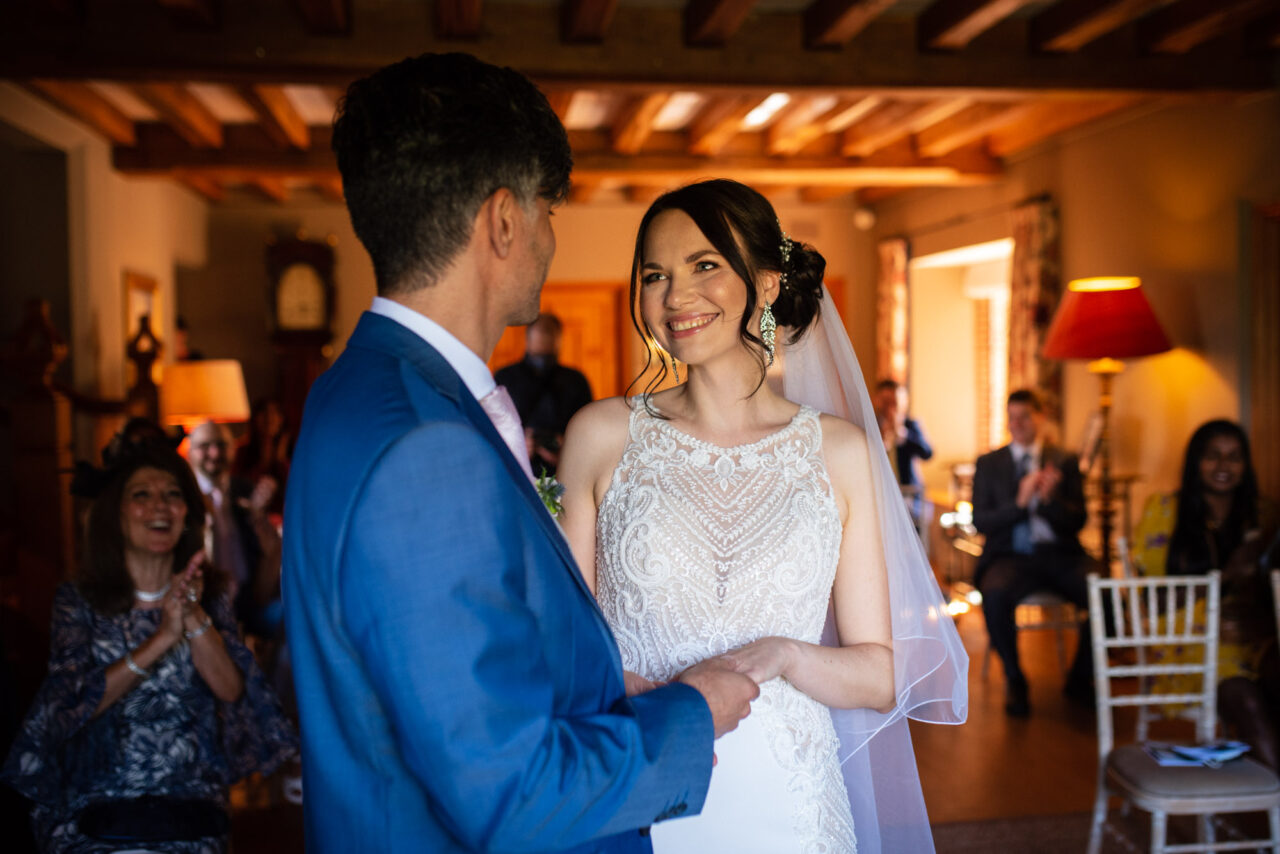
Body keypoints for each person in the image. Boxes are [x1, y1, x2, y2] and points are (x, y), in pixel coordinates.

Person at [283, 53, 758, 853]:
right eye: (548, 208)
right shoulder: (425, 449)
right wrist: (691, 711)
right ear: (503, 220)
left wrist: (603, 687)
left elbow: (431, 669)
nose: (549, 235)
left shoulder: (355, 390)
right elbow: (512, 796)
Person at [558, 179, 967, 853]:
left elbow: (881, 672)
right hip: (642, 789)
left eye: (705, 265)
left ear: (769, 284)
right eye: (654, 274)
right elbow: (568, 650)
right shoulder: (600, 436)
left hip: (793, 809)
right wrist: (655, 700)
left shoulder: (840, 453)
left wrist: (784, 654)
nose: (674, 296)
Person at [1, 441, 297, 853]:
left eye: (173, 494)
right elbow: (72, 701)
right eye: (141, 495)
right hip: (99, 804)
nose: (160, 506)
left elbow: (230, 690)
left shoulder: (211, 594)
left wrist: (191, 615)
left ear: (186, 514)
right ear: (115, 515)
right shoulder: (79, 600)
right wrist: (162, 638)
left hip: (190, 804)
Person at [1132, 420, 1279, 768]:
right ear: (1195, 461)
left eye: (1234, 457)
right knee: (1246, 699)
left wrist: (1254, 624)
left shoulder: (1264, 515)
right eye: (1213, 456)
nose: (1223, 467)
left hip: (1254, 640)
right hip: (1187, 645)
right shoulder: (1165, 511)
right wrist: (1224, 583)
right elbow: (1155, 599)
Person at [972, 388, 1099, 717]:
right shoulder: (989, 463)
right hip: (1009, 556)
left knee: (1105, 594)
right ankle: (1015, 679)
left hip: (1060, 555)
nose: (1017, 424)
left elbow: (1078, 521)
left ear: (1041, 416)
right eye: (1012, 417)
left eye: (1024, 416)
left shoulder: (1065, 461)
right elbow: (981, 521)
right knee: (995, 595)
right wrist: (1019, 503)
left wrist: (1049, 502)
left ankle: (1080, 679)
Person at [187, 420, 282, 641]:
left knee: (293, 615)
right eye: (204, 446)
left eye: (221, 444)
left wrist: (260, 519)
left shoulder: (248, 491)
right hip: (204, 603)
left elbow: (270, 550)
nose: (214, 452)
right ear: (191, 452)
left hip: (249, 600)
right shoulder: (184, 497)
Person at [495, 312, 593, 475]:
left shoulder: (575, 380)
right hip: (515, 471)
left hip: (566, 472)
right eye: (541, 331)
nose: (545, 337)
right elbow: (492, 427)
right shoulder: (505, 377)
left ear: (560, 339)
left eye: (550, 331)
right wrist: (517, 445)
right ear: (528, 338)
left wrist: (569, 449)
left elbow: (589, 430)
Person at [873, 378, 933, 525]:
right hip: (880, 496)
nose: (890, 408)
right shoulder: (871, 426)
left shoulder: (911, 425)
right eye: (886, 402)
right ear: (877, 401)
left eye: (894, 402)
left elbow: (927, 453)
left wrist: (902, 434)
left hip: (909, 496)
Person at [232, 398, 292, 515]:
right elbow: (238, 489)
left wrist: (281, 461)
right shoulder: (241, 452)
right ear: (255, 419)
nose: (269, 418)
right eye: (264, 412)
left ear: (282, 419)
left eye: (275, 412)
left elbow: (294, 490)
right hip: (249, 516)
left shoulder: (293, 450)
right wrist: (263, 463)